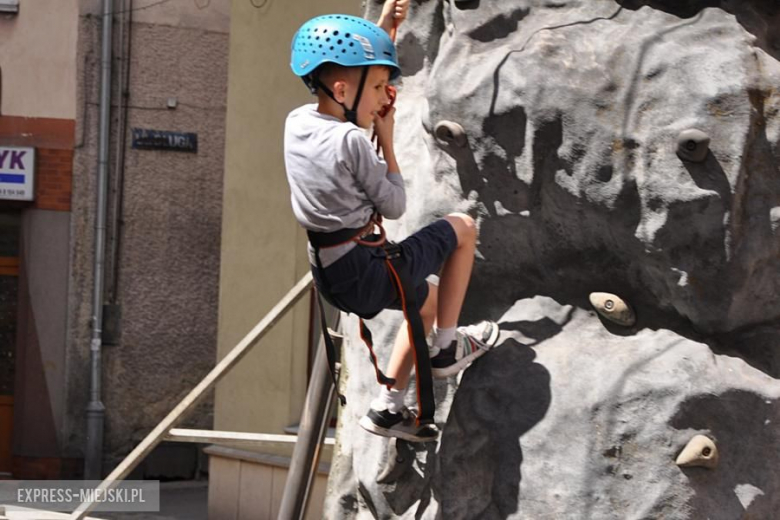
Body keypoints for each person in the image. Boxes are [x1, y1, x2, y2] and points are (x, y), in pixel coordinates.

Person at [284, 1, 499, 443]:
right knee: (462, 227)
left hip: (331, 269)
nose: (386, 96)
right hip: (364, 268)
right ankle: (446, 349)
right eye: (381, 86)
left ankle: (388, 408)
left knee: (427, 302)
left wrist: (383, 30)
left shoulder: (298, 122)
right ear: (342, 91)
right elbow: (396, 204)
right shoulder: (352, 141)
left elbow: (350, 87)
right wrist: (386, 139)